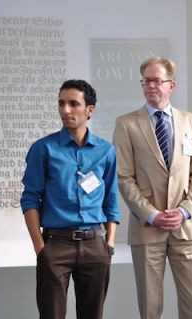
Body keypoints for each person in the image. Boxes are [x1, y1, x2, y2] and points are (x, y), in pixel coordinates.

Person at [113, 57, 192, 319]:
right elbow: (124, 178)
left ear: (171, 85)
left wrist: (184, 211)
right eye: (146, 80)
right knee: (150, 308)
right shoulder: (127, 124)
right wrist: (153, 215)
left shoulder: (191, 121)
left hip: (185, 228)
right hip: (147, 229)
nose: (150, 85)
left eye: (156, 80)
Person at [21, 79, 120, 319]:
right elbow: (30, 198)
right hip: (56, 245)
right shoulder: (43, 148)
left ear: (90, 110)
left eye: (73, 104)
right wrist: (40, 247)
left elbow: (111, 198)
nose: (65, 110)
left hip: (95, 245)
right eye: (61, 104)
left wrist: (109, 244)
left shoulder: (106, 151)